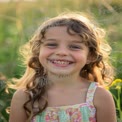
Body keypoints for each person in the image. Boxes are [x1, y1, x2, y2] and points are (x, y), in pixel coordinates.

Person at [9, 12, 117, 122]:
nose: (62, 52)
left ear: (90, 56)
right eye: (52, 44)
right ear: (38, 51)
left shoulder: (99, 96)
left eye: (74, 47)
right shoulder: (25, 97)